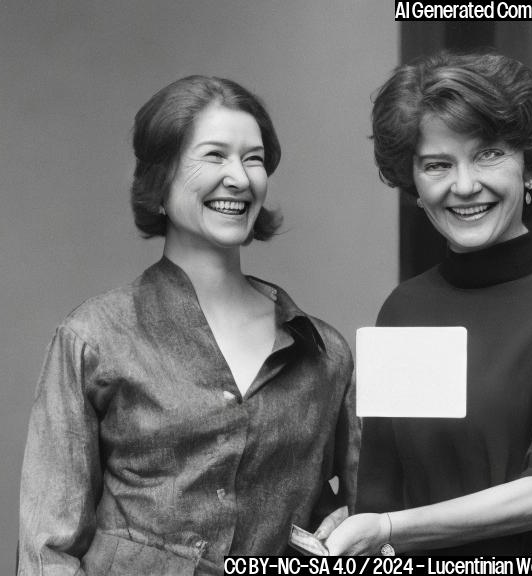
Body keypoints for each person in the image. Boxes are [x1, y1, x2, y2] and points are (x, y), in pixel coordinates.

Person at [18, 75, 358, 574]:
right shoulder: (95, 337)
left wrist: (354, 529)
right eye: (214, 155)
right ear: (160, 181)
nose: (239, 178)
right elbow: (47, 550)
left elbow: (363, 515)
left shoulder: (324, 352)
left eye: (254, 158)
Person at [326, 51, 532, 555]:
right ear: (413, 184)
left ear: (530, 168)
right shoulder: (403, 310)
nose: (464, 186)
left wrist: (391, 529)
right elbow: (378, 491)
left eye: (488, 154)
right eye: (438, 164)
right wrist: (354, 529)